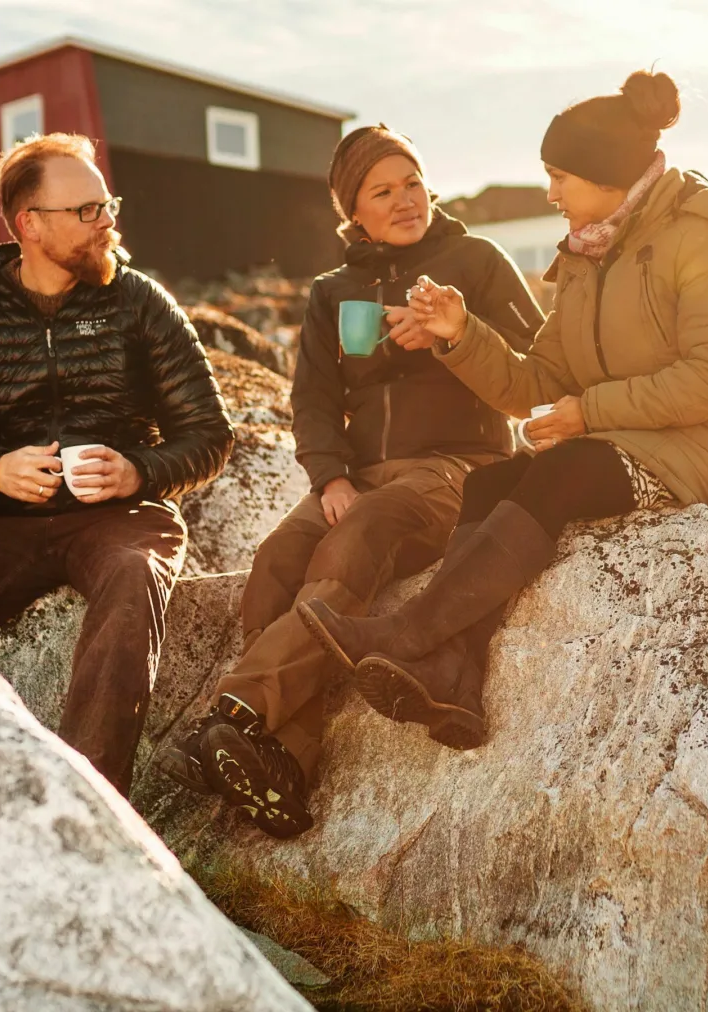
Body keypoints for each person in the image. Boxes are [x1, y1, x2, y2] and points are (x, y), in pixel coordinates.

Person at [264, 69, 708, 820]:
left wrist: (586, 412)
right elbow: (533, 380)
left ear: (607, 176)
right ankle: (452, 681)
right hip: (635, 438)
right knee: (491, 486)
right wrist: (459, 334)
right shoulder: (587, 254)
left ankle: (413, 633)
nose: (549, 192)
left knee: (560, 473)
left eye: (560, 176)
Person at [164, 126, 544, 837]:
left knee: (357, 541)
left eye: (413, 182)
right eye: (383, 191)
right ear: (353, 212)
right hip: (360, 474)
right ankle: (282, 762)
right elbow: (311, 397)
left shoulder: (476, 260)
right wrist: (329, 477)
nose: (406, 200)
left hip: (458, 467)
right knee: (278, 560)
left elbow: (542, 362)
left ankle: (235, 713)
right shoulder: (332, 292)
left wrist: (454, 335)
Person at [0, 133, 231, 796]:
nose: (108, 223)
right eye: (87, 211)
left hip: (122, 517)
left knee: (132, 581)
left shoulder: (140, 301)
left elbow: (210, 435)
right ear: (30, 225)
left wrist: (137, 472)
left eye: (107, 205)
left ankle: (87, 803)